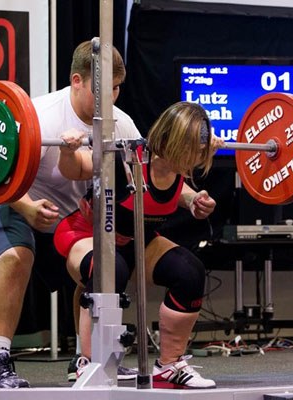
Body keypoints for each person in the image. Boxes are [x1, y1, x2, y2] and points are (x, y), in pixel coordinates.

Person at [0, 41, 142, 388]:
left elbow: (142, 175)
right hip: (4, 194)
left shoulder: (121, 125)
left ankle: (87, 359)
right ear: (77, 80)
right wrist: (26, 207)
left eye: (117, 89)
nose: (112, 99)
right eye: (103, 90)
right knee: (16, 258)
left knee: (97, 265)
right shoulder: (41, 115)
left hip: (64, 212)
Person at [55, 101, 219, 389]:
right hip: (86, 235)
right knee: (110, 269)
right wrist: (67, 150)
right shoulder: (125, 160)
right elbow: (74, 168)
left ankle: (169, 366)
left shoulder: (178, 167)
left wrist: (194, 200)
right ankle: (89, 363)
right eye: (193, 150)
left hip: (136, 241)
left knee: (190, 272)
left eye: (201, 151)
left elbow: (175, 190)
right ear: (171, 141)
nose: (196, 158)